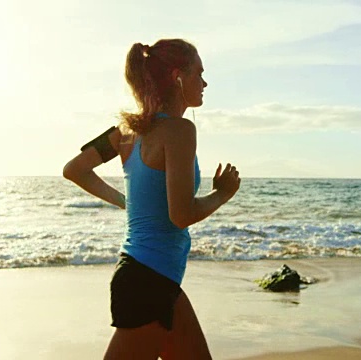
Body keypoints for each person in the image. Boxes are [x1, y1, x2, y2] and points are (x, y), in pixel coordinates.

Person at [63, 38, 241, 360]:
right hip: (148, 282)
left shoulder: (125, 133)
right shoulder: (179, 131)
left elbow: (75, 169)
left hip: (152, 277)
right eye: (198, 73)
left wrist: (126, 202)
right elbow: (181, 215)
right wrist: (222, 194)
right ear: (177, 76)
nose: (204, 82)